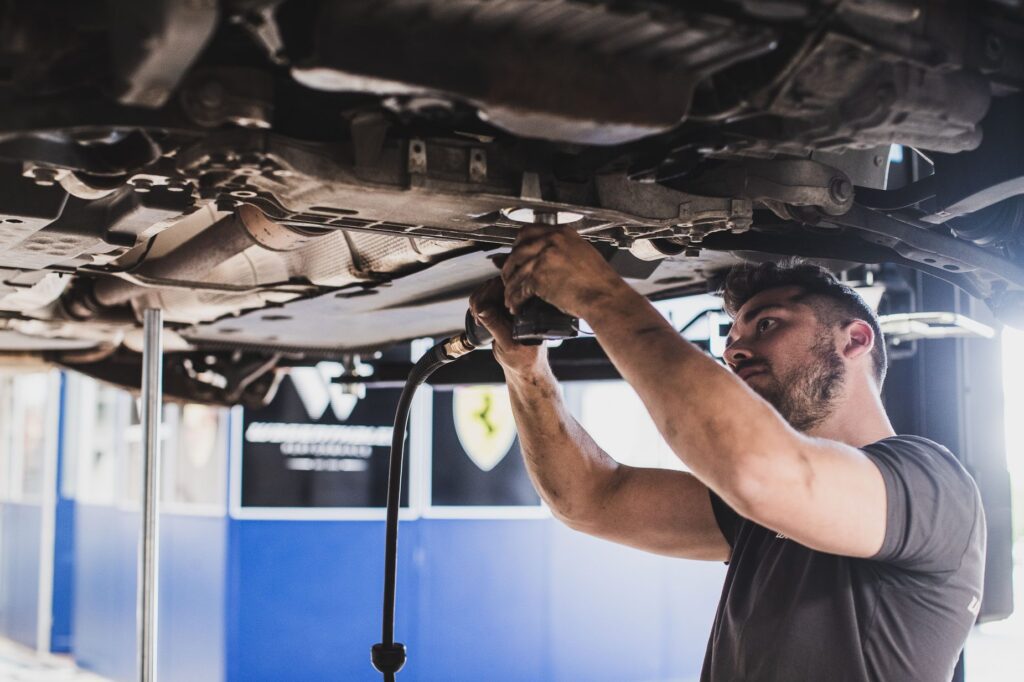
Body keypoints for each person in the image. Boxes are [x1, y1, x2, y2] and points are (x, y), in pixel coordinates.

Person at [469, 225, 986, 682]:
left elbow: (755, 468)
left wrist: (599, 293)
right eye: (732, 337)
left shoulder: (931, 484)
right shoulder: (765, 511)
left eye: (768, 324)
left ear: (854, 340)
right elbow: (588, 497)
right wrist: (526, 371)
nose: (733, 351)